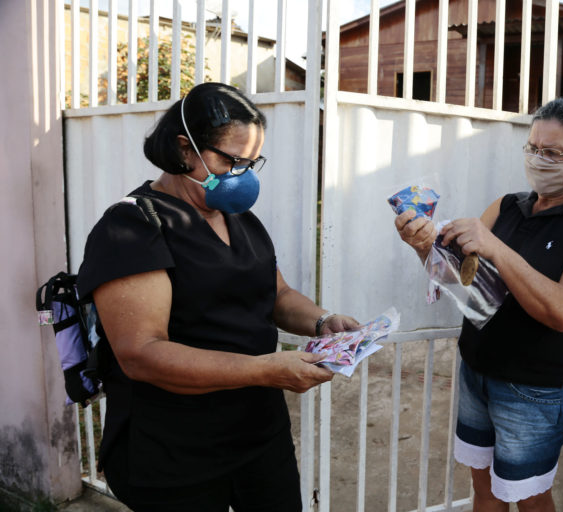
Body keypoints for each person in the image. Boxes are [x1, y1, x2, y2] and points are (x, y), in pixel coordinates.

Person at [76, 82, 358, 511]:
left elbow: (276, 292)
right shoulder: (131, 228)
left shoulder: (239, 219)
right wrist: (263, 370)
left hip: (259, 436)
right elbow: (142, 352)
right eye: (232, 160)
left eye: (251, 162)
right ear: (184, 149)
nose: (243, 174)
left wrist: (323, 321)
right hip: (177, 452)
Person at [395, 96, 563, 512]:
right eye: (533, 148)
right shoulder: (508, 205)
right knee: (486, 491)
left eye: (552, 153)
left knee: (530, 500)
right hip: (478, 370)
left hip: (534, 389)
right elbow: (466, 283)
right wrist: (425, 247)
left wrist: (495, 247)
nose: (538, 160)